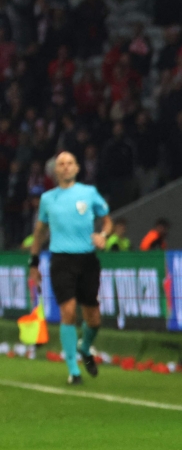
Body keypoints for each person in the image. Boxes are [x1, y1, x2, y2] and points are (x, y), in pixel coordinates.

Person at [26, 151, 111, 385]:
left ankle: (85, 348)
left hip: (87, 259)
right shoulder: (47, 199)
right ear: (55, 170)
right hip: (61, 259)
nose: (65, 167)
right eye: (61, 164)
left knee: (93, 318)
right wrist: (33, 262)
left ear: (77, 168)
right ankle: (73, 370)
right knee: (68, 311)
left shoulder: (89, 193)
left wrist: (103, 235)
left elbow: (107, 220)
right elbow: (40, 232)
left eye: (69, 163)